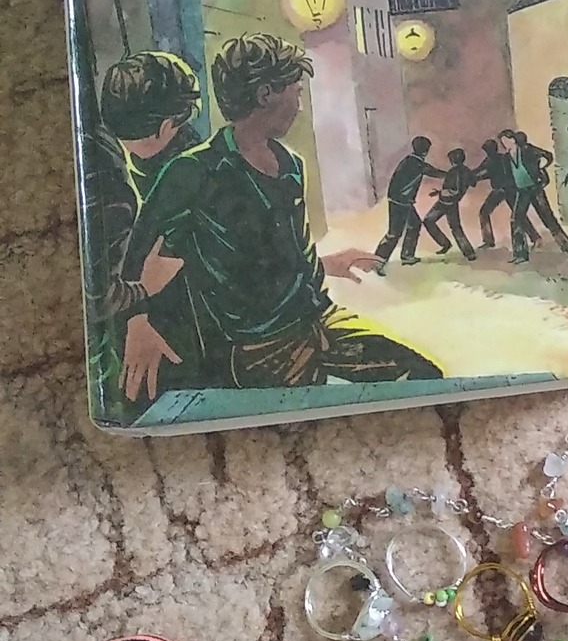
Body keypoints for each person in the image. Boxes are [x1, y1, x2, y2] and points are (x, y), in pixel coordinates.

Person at [121, 33, 442, 399]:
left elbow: (278, 253)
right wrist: (137, 321)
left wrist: (325, 263)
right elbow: (137, 254)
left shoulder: (291, 165)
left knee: (425, 376)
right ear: (266, 94)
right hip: (259, 348)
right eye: (296, 92)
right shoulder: (194, 171)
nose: (300, 107)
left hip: (319, 321)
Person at [83, 51, 203, 411]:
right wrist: (142, 294)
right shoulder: (113, 191)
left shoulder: (98, 138)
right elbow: (97, 296)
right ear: (164, 128)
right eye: (178, 123)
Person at [370, 135, 449, 272]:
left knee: (414, 225)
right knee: (394, 233)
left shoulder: (410, 160)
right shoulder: (416, 163)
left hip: (402, 200)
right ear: (425, 150)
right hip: (400, 202)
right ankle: (377, 262)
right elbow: (433, 172)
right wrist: (452, 174)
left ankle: (407, 256)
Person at [501, 126, 568, 256]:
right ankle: (520, 254)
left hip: (535, 189)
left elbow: (548, 156)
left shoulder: (527, 149)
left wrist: (541, 168)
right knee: (516, 219)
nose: (504, 144)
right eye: (502, 142)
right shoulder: (506, 158)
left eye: (505, 141)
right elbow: (509, 175)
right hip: (522, 191)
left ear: (513, 140)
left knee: (548, 218)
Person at [421, 146, 481, 260]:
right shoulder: (467, 171)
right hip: (453, 203)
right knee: (456, 228)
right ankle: (469, 253)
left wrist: (440, 192)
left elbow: (453, 190)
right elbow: (473, 183)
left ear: (453, 160)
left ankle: (445, 243)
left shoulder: (453, 172)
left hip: (444, 202)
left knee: (428, 221)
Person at [476, 136, 529, 259]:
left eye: (487, 150)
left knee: (485, 212)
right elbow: (479, 171)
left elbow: (483, 173)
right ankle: (535, 237)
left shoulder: (493, 160)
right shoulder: (498, 158)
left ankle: (488, 240)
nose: (487, 152)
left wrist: (473, 178)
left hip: (502, 189)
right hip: (506, 189)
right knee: (518, 216)